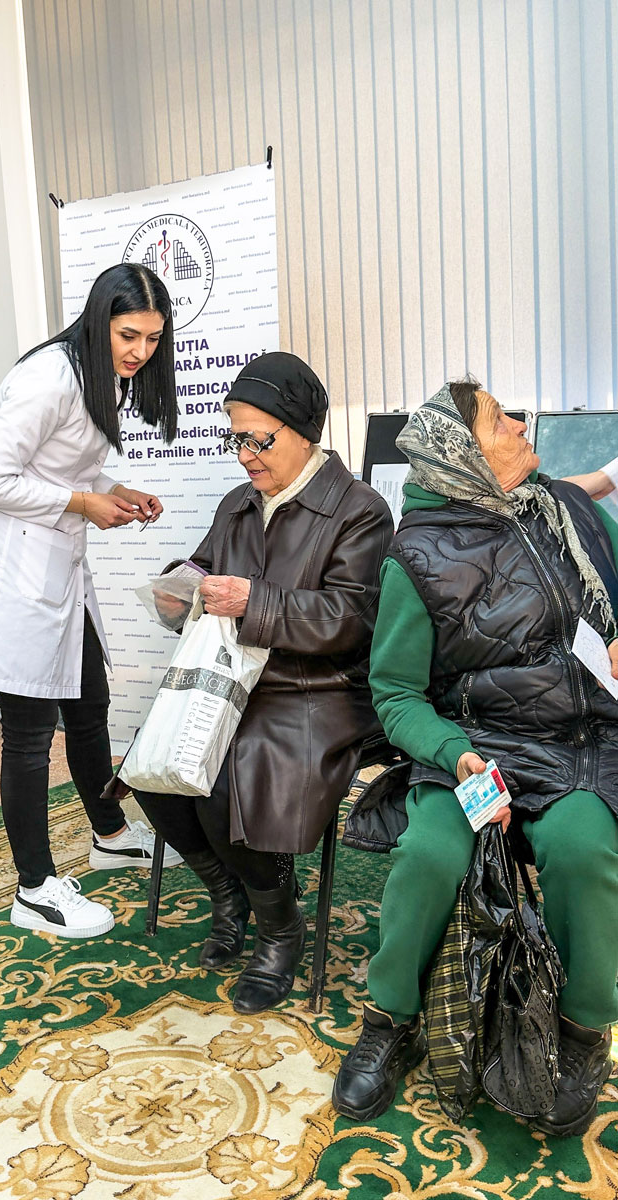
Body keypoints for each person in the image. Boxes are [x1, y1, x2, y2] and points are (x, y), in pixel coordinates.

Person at [332, 377, 618, 1138]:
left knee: (584, 848)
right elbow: (395, 694)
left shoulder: (569, 512)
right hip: (473, 745)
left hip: (578, 739)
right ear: (461, 454)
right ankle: (390, 1019)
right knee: (429, 852)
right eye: (499, 420)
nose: (521, 424)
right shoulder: (414, 557)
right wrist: (455, 756)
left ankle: (583, 1029)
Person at [133, 352, 393, 1013]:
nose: (245, 456)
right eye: (236, 440)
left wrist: (253, 600)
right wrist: (181, 589)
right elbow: (205, 567)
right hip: (237, 676)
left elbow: (352, 618)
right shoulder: (239, 503)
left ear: (303, 431)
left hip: (317, 687)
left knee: (222, 777)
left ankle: (280, 929)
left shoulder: (359, 509)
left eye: (258, 440)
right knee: (151, 767)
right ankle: (230, 892)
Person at [0, 263, 182, 940]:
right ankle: (35, 889)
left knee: (90, 703)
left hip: (56, 568)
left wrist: (114, 490)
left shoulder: (101, 375)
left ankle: (109, 835)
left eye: (153, 339)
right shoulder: (49, 377)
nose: (140, 351)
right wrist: (82, 502)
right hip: (14, 573)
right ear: (100, 320)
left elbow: (62, 465)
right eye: (129, 335)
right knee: (27, 735)